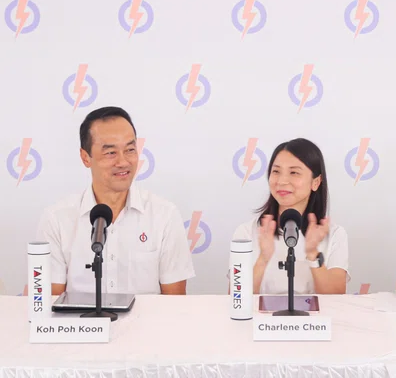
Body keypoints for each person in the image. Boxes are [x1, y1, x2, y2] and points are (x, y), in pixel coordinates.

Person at [35, 107, 195, 296]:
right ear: (86, 157)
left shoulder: (164, 215)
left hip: (148, 325)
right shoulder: (57, 219)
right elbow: (48, 305)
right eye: (110, 153)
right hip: (80, 326)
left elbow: (174, 304)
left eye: (130, 150)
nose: (123, 162)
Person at [232, 138, 348, 294]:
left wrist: (313, 254)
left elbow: (337, 297)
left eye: (294, 172)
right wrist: (263, 258)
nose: (282, 181)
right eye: (276, 171)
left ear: (316, 182)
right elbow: (236, 298)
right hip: (261, 319)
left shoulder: (334, 235)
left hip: (315, 319)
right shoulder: (246, 232)